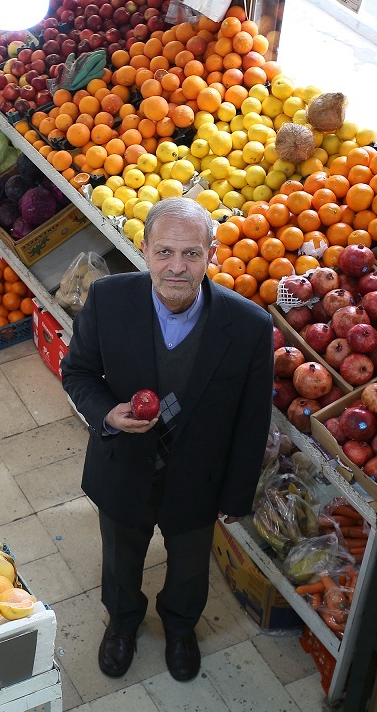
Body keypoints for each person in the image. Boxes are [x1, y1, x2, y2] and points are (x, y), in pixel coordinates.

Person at [60, 197, 273, 682]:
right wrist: (106, 413)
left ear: (211, 253)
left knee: (191, 568)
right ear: (144, 249)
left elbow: (251, 419)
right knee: (119, 558)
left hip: (199, 480)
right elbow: (78, 372)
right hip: (123, 467)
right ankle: (123, 623)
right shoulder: (109, 300)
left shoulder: (247, 326)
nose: (176, 267)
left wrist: (237, 495)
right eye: (164, 252)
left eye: (191, 254)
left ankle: (180, 629)